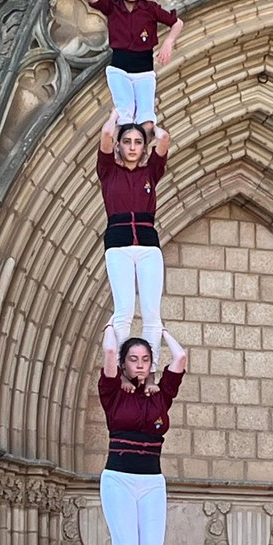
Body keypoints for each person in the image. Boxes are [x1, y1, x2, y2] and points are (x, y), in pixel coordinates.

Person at [99, 325, 186, 545]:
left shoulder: (160, 396)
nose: (139, 364)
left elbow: (181, 357)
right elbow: (110, 350)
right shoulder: (114, 393)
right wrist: (112, 326)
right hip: (119, 479)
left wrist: (159, 331)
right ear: (124, 364)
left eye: (145, 359)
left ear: (152, 364)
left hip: (151, 481)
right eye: (133, 359)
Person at [67, 0, 183, 131]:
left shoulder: (150, 9)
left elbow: (177, 23)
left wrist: (169, 42)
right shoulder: (113, 7)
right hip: (119, 69)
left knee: (146, 115)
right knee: (125, 112)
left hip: (144, 70)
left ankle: (142, 150)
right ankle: (120, 147)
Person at [97, 110, 169, 378]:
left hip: (148, 245)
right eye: (127, 141)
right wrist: (119, 113)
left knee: (152, 313)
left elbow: (164, 140)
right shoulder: (108, 171)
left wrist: (151, 124)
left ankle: (150, 371)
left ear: (144, 146)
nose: (132, 147)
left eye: (138, 142)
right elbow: (105, 134)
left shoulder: (151, 171)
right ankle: (118, 368)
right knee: (124, 310)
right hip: (118, 244)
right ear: (119, 144)